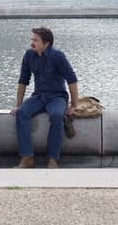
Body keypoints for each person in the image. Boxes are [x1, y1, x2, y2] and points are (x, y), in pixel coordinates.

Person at [12, 27, 79, 169]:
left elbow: (72, 80)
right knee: (22, 113)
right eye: (32, 39)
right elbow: (23, 81)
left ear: (46, 43)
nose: (32, 43)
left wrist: (74, 105)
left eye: (35, 40)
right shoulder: (29, 55)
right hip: (39, 96)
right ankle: (27, 158)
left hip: (57, 96)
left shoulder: (58, 56)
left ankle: (53, 159)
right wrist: (18, 105)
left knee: (56, 115)